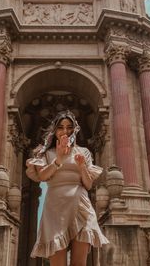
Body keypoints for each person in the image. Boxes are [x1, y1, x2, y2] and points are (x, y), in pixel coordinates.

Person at [26, 110, 109, 266]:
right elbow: (43, 176)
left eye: (69, 127)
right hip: (56, 209)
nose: (65, 131)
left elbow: (88, 184)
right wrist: (59, 159)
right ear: (55, 130)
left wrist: (82, 166)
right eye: (61, 127)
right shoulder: (44, 153)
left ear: (75, 129)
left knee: (79, 264)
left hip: (81, 206)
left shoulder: (84, 152)